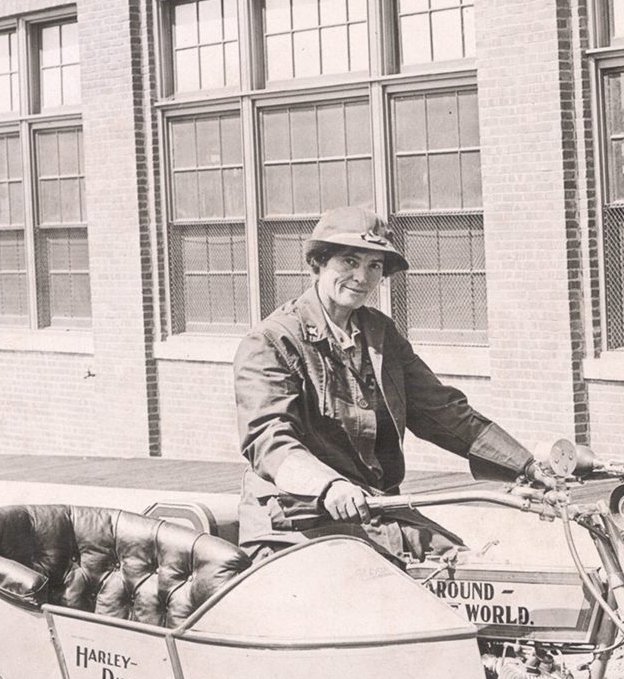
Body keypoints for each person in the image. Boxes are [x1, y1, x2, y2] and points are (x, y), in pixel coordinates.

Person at [233, 206, 548, 562]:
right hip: (296, 521)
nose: (361, 277)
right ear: (318, 263)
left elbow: (444, 412)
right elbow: (269, 440)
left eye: (374, 266)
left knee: (466, 568)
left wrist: (527, 466)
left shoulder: (380, 333)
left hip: (376, 512)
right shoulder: (271, 341)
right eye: (349, 261)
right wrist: (328, 485)